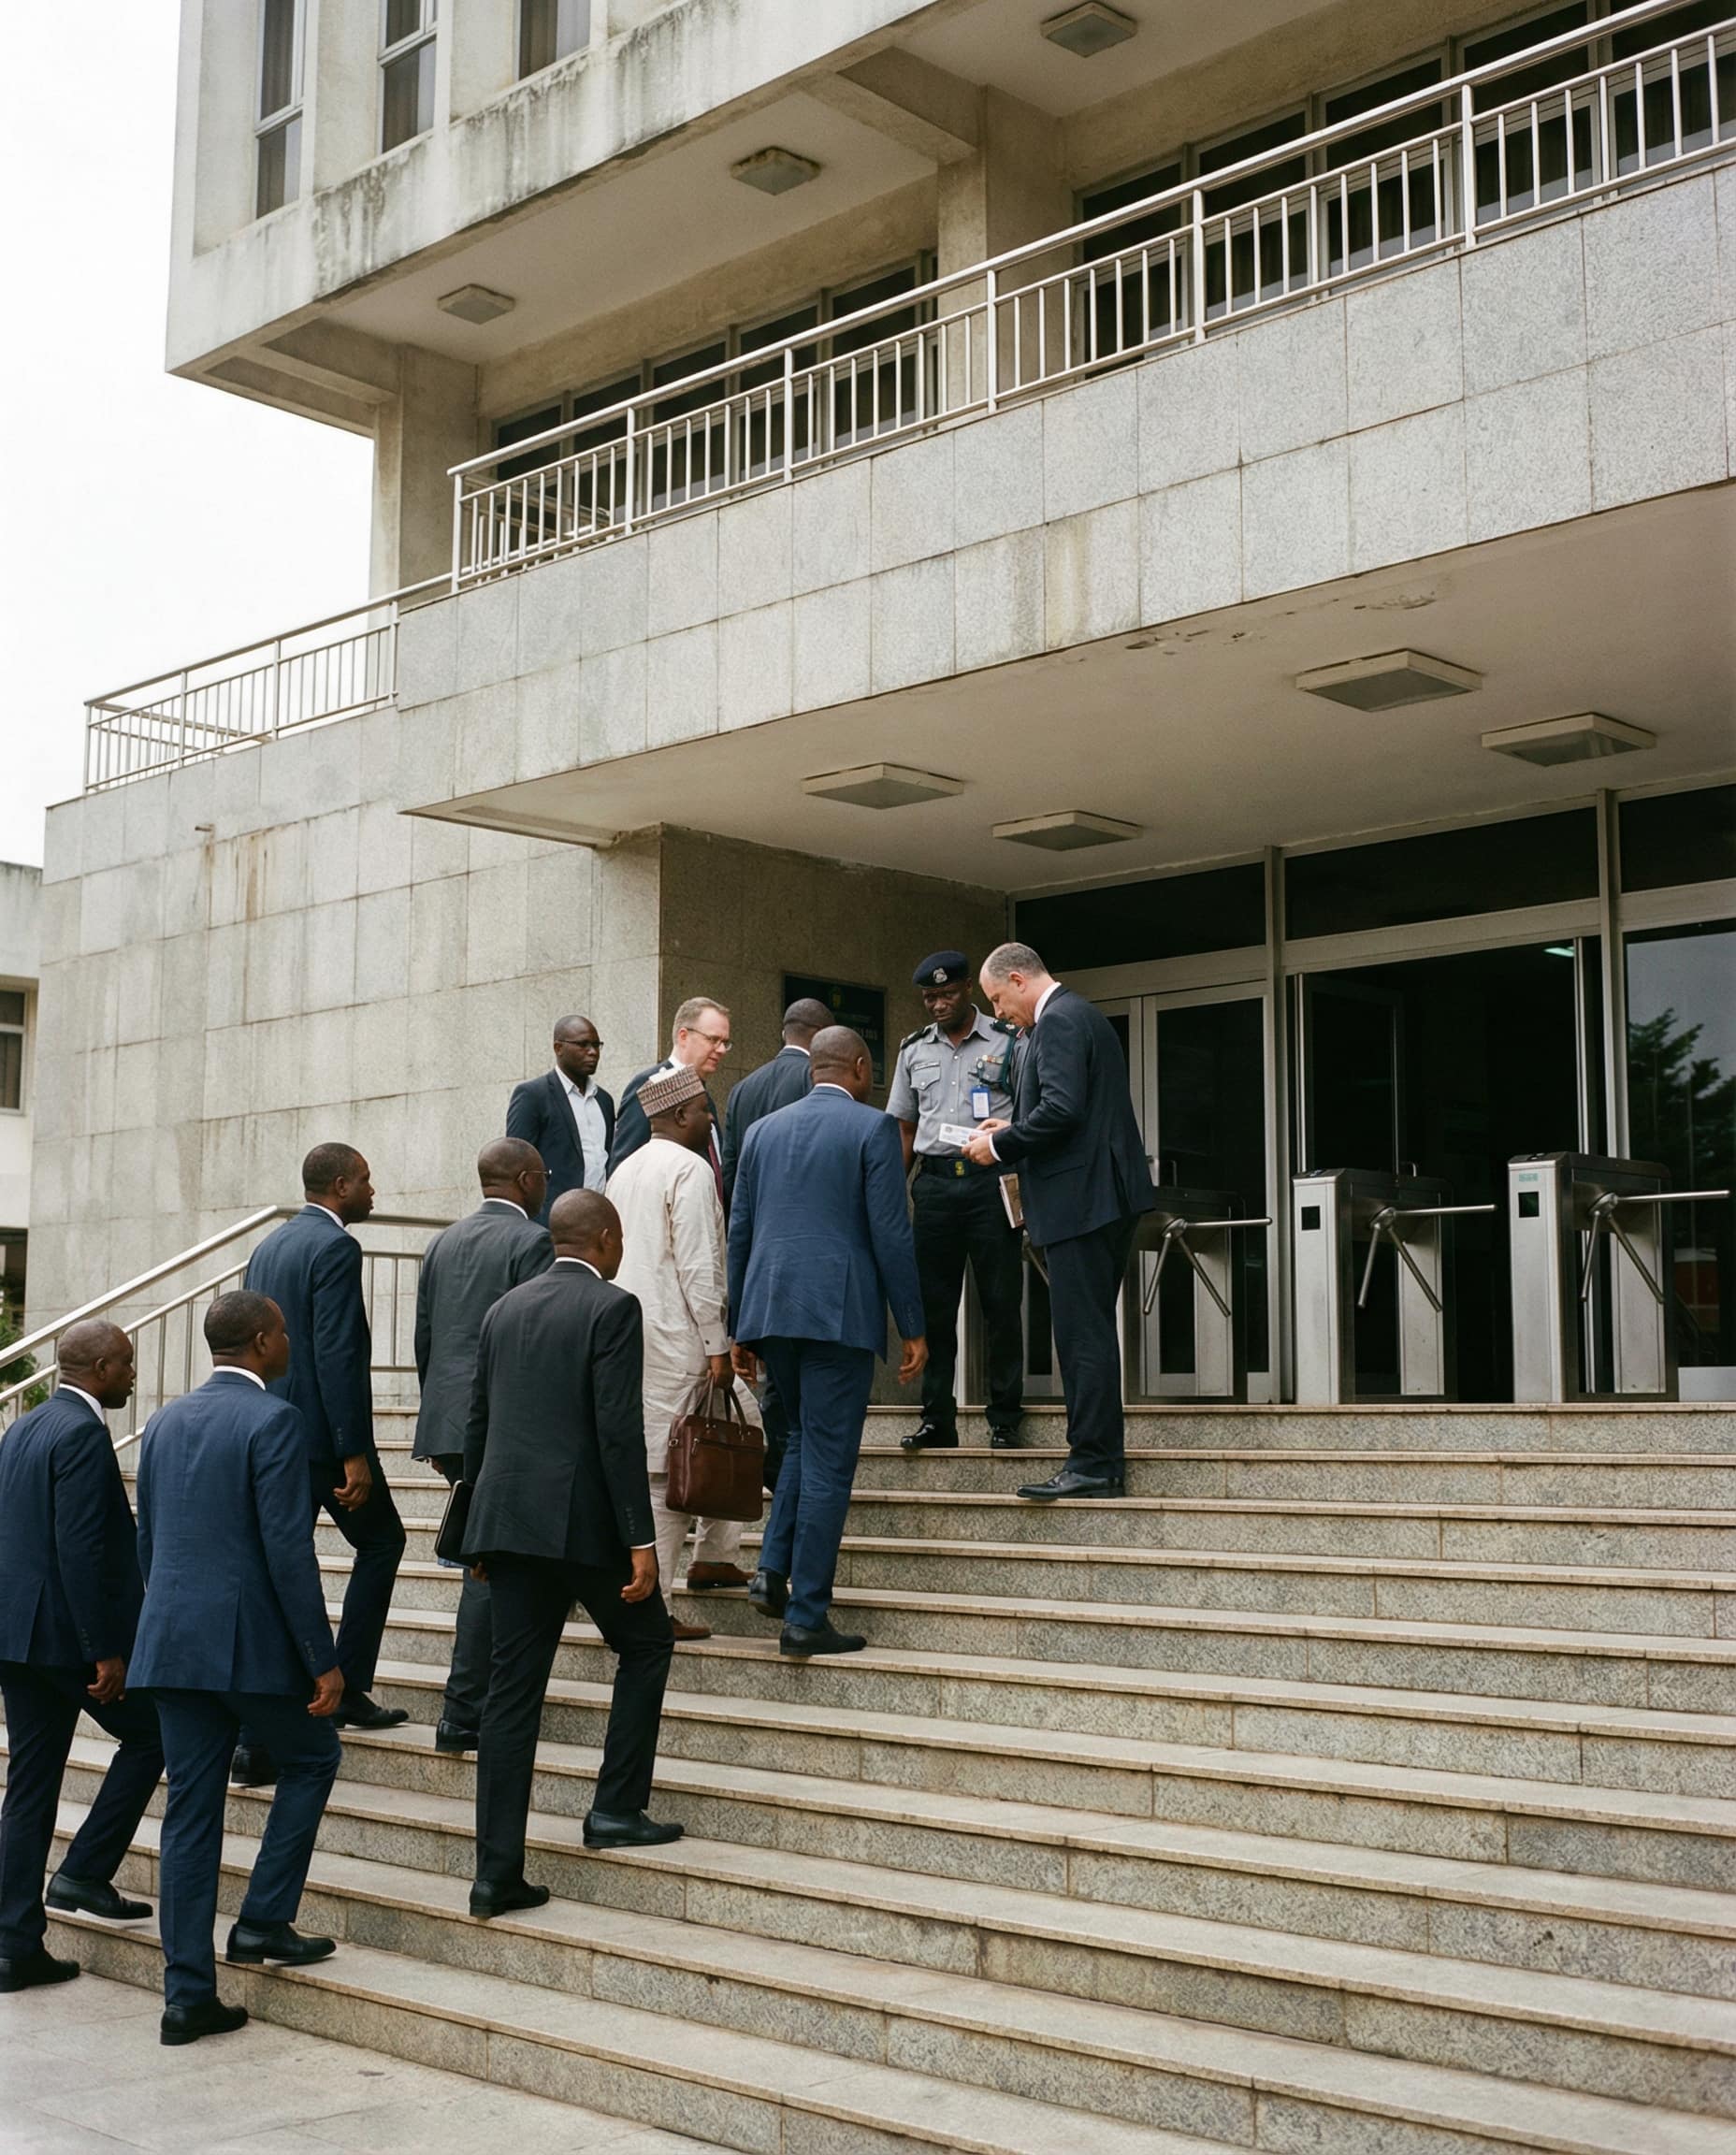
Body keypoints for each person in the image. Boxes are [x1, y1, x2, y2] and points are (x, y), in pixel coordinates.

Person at [130, 1292, 344, 2047]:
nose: (288, 1341)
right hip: (247, 1645)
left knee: (190, 1814)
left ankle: (187, 1996)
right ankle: (261, 1921)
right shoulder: (274, 1420)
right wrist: (322, 1659)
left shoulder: (164, 1421)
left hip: (170, 1641)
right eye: (283, 1332)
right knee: (315, 1758)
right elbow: (288, 1550)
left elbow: (148, 1538)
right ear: (261, 1342)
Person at [463, 1190, 680, 1917]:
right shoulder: (612, 1308)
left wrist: (474, 1535)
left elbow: (479, 1425)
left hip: (509, 1526)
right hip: (585, 1528)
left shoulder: (503, 1310)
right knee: (648, 1643)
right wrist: (640, 1540)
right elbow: (617, 1431)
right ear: (608, 1239)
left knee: (510, 1700)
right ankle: (615, 1809)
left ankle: (495, 1875)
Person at [728, 1027, 926, 1656]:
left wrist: (740, 1324)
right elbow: (892, 1234)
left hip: (770, 1308)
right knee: (829, 1461)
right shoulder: (872, 1130)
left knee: (799, 1445)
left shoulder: (761, 1132)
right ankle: (806, 1615)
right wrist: (913, 1325)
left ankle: (770, 1571)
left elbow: (739, 1230)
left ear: (814, 1068)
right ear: (861, 1068)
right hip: (837, 1313)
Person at [0, 1323, 163, 1995]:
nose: (132, 1374)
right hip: (66, 1638)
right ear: (98, 1367)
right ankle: (84, 1872)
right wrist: (106, 1650)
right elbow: (83, 1551)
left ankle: (13, 1944)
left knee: (31, 1786)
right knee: (153, 1736)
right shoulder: (82, 1434)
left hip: (17, 1636)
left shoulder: (25, 1426)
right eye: (125, 1364)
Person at [238, 1142, 406, 1784]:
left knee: (277, 1566)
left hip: (271, 1429)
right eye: (365, 1180)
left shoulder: (269, 1245)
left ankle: (260, 1738)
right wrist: (353, 1451)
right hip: (318, 1439)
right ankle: (346, 1686)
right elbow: (336, 1352)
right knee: (384, 1540)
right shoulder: (337, 1247)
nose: (373, 1190)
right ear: (339, 1186)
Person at [964, 943, 1156, 1499]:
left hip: (1083, 1200)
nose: (999, 1013)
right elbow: (1068, 1110)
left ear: (1019, 980)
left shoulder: (1061, 1021)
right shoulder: (1077, 1016)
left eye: (998, 999)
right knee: (1085, 1329)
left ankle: (1093, 1463)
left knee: (1082, 1334)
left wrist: (1000, 1148)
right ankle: (1096, 1460)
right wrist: (1013, 1126)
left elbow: (1063, 1110)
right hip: (1094, 1196)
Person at [412, 1137, 555, 1752]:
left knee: (488, 1556)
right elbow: (536, 1338)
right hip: (499, 1425)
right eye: (543, 1175)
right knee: (487, 1564)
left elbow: (425, 1339)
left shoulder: (441, 1241)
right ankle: (463, 1710)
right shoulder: (534, 1242)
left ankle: (469, 1707)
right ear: (526, 1179)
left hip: (447, 1422)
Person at [608, 1064, 757, 1642]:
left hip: (634, 1337)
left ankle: (715, 1553)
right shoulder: (688, 1169)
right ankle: (653, 1608)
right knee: (669, 1469)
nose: (710, 1122)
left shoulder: (625, 1169)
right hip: (680, 1340)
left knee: (736, 1430)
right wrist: (719, 1346)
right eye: (703, 1113)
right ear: (677, 1116)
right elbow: (700, 1267)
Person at [888, 951, 1025, 1454]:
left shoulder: (1010, 1042)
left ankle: (1005, 1417)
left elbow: (1028, 1116)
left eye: (946, 994)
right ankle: (936, 1418)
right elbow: (904, 1127)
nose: (938, 1004)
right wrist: (892, 1193)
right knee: (934, 1309)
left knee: (1001, 1304)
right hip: (937, 1186)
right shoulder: (913, 1050)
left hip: (992, 1184)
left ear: (968, 989)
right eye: (929, 997)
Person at [607, 996, 731, 1187]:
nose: (721, 1049)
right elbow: (624, 1168)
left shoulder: (704, 1095)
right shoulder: (651, 1086)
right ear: (683, 1036)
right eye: (713, 1039)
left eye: (725, 1042)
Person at [719, 998, 830, 1206]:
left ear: (784, 1034)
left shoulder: (741, 1089)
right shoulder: (818, 1080)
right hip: (801, 1214)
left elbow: (730, 1166)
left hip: (754, 1219)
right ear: (821, 1034)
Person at [505, 1015, 615, 1222]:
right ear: (558, 1048)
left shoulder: (604, 1101)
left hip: (596, 1220)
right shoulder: (532, 1095)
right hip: (550, 1222)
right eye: (583, 1045)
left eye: (596, 1045)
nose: (592, 1052)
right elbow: (516, 1164)